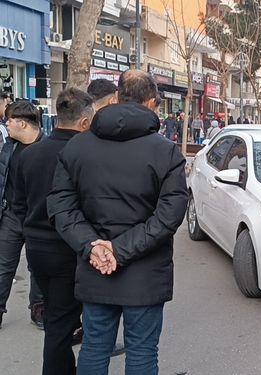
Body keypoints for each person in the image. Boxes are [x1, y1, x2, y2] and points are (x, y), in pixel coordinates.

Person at [46, 69, 188, 374]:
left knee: (95, 347)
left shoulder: (77, 147)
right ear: (151, 103)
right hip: (146, 272)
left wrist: (93, 247)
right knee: (142, 351)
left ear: (117, 98)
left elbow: (60, 205)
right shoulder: (166, 152)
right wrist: (119, 250)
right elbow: (170, 214)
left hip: (96, 266)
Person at [13, 88, 94, 375]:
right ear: (84, 122)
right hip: (67, 250)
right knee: (60, 325)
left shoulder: (30, 154)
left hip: (36, 248)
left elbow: (18, 202)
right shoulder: (84, 153)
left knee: (57, 318)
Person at [0, 101, 45, 329]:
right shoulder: (9, 147)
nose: (5, 124)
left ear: (22, 123)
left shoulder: (47, 147)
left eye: (8, 120)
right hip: (10, 216)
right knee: (3, 265)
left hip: (37, 218)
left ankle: (38, 309)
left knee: (37, 267)